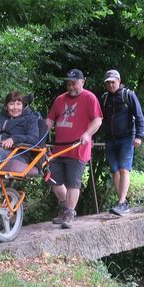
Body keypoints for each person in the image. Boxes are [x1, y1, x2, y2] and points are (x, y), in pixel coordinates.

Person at [46, 69, 103, 229]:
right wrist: (41, 134)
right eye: (69, 83)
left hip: (77, 148)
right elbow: (50, 120)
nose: (71, 86)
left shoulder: (89, 98)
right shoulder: (59, 100)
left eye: (74, 83)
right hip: (59, 148)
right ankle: (66, 209)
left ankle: (69, 214)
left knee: (73, 183)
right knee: (53, 179)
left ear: (82, 82)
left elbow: (98, 120)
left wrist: (87, 134)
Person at [100, 69, 144, 216]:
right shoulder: (105, 98)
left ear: (119, 81)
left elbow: (139, 116)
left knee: (124, 169)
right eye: (108, 83)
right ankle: (123, 202)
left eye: (113, 82)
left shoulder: (128, 95)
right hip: (110, 139)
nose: (110, 85)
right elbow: (99, 118)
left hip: (127, 138)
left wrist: (139, 136)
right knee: (115, 170)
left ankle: (121, 202)